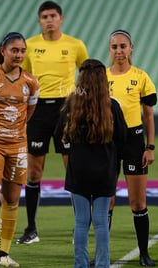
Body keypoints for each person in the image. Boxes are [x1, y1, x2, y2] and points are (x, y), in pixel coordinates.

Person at [17, 0, 89, 244]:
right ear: (39, 20)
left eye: (53, 16)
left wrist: (80, 102)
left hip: (66, 110)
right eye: (44, 16)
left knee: (73, 168)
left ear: (61, 18)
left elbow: (86, 76)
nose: (49, 20)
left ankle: (79, 226)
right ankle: (31, 229)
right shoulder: (30, 45)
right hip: (37, 112)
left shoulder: (75, 45)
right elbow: (23, 79)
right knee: (34, 172)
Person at [54, 59, 127, 268]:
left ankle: (81, 265)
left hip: (78, 170)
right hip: (105, 170)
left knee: (81, 222)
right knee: (101, 221)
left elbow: (59, 133)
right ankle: (103, 264)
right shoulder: (112, 105)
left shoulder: (72, 103)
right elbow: (122, 136)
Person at [107, 29, 157, 267]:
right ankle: (102, 255)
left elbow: (148, 116)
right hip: (107, 143)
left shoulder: (141, 77)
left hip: (134, 141)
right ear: (110, 49)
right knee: (107, 201)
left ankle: (144, 254)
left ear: (131, 48)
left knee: (138, 203)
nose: (119, 51)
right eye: (115, 46)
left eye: (123, 46)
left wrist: (150, 146)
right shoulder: (102, 78)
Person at [0, 32, 39, 267]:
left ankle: (3, 254)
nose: (19, 55)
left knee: (11, 199)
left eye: (22, 51)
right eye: (14, 50)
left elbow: (29, 113)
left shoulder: (31, 82)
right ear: (3, 51)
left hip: (18, 146)